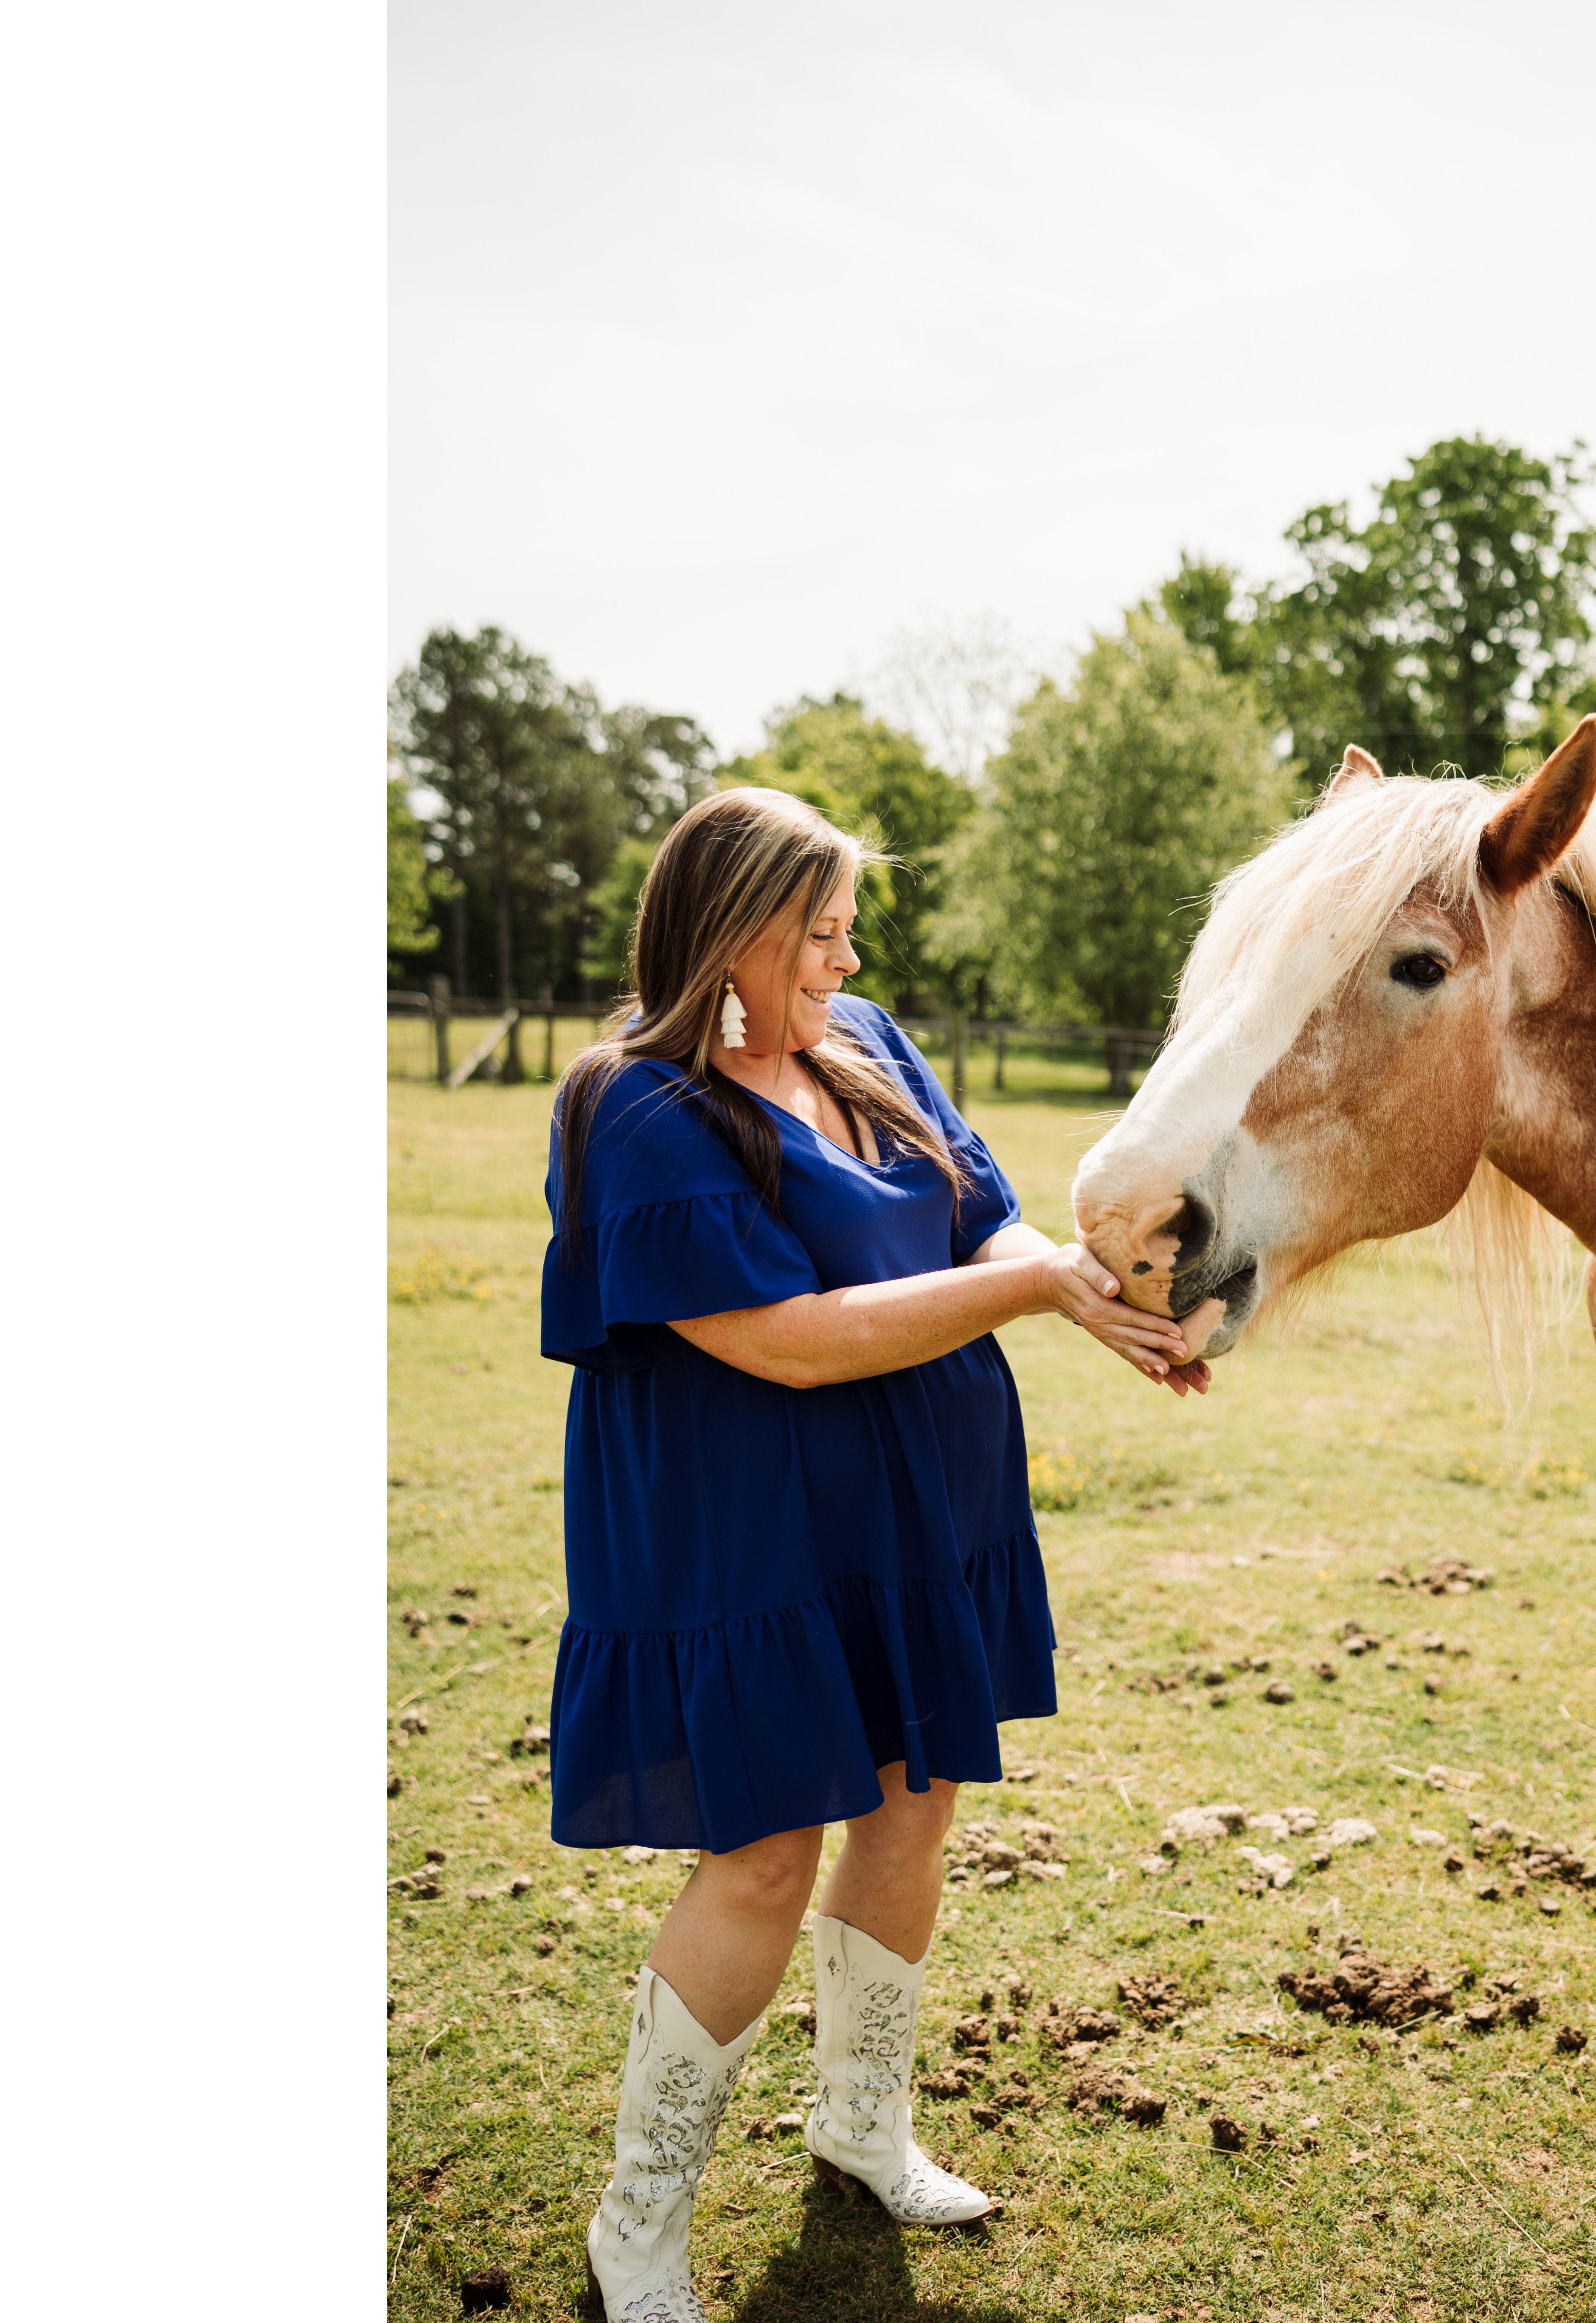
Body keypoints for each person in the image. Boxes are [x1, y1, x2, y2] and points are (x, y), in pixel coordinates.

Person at [542, 787, 1207, 2321]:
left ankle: (862, 2124)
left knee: (914, 1805)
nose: (846, 962)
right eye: (819, 934)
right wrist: (1038, 1290)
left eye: (848, 931)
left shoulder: (870, 1042)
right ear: (731, 936)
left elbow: (983, 1222)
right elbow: (780, 1340)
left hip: (920, 1511)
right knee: (765, 1853)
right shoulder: (633, 1105)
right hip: (744, 1537)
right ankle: (640, 2224)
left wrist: (1092, 1300)